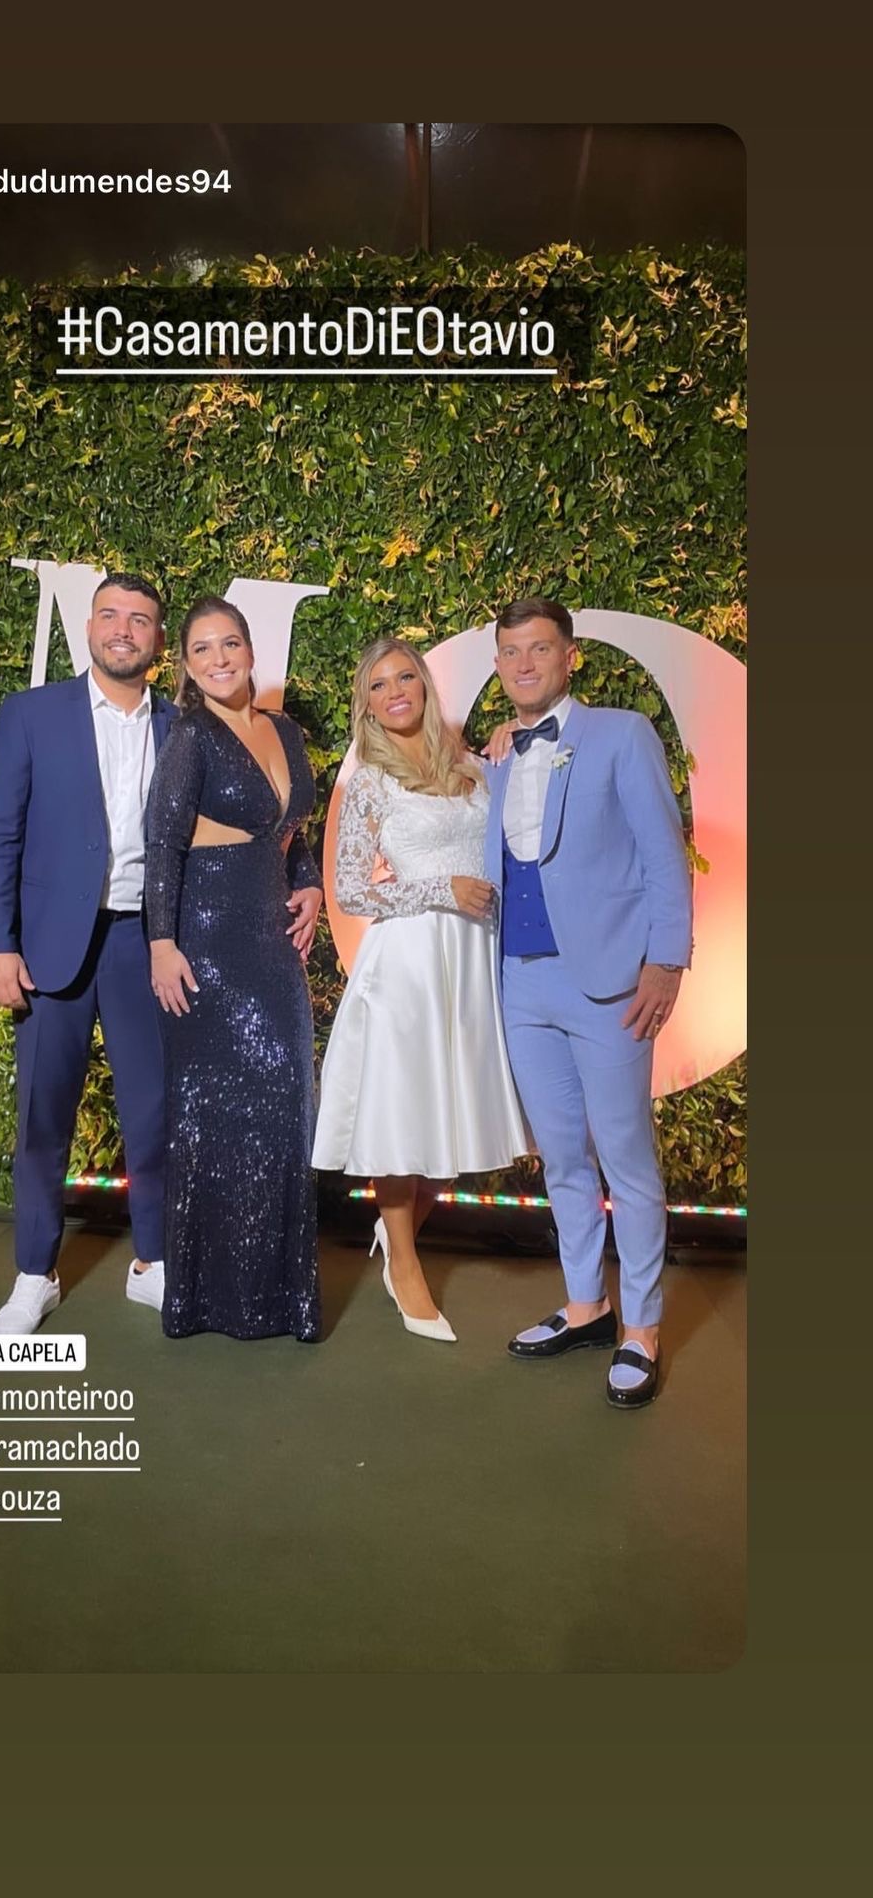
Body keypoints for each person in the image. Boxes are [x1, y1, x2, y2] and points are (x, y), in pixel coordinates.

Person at [484, 595, 693, 1407]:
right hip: (518, 980)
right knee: (562, 1156)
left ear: (570, 655)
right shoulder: (498, 755)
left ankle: (641, 1325)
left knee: (625, 1157)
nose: (523, 663)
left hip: (607, 982)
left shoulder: (622, 733)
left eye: (539, 648)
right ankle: (586, 1305)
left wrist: (665, 960)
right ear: (497, 665)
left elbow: (662, 853)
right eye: (510, 651)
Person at [0, 573, 176, 1335]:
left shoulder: (180, 726)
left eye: (140, 619)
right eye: (110, 615)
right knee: (41, 1116)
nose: (123, 629)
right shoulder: (31, 714)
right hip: (49, 946)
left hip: (141, 942)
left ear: (158, 639)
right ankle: (35, 1272)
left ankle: (151, 1262)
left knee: (153, 1113)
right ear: (88, 627)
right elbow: (0, 832)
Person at [313, 638, 531, 1342]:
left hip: (474, 960)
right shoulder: (369, 782)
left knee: (460, 1114)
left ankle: (395, 1232)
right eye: (379, 685)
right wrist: (442, 889)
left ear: (425, 685)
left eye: (405, 676)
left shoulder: (472, 764)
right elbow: (350, 890)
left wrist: (515, 735)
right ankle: (404, 1262)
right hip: (408, 963)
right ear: (367, 705)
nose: (396, 691)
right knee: (403, 1116)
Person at [143, 596, 323, 1342]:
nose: (218, 659)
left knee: (286, 1103)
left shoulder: (285, 730)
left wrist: (309, 882)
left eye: (229, 644)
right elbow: (162, 842)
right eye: (201, 649)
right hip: (207, 946)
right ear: (186, 666)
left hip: (271, 945)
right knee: (209, 1117)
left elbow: (291, 830)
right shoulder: (192, 734)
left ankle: (280, 1297)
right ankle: (206, 1298)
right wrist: (161, 944)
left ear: (251, 651)